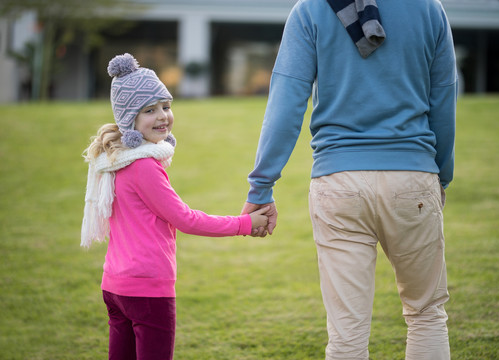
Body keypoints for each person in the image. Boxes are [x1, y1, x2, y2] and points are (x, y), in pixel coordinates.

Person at [241, 0, 457, 359]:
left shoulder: (309, 10)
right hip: (413, 176)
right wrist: (441, 177)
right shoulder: (429, 8)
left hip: (337, 182)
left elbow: (286, 103)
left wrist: (261, 186)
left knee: (346, 334)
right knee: (426, 315)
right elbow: (443, 100)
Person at [81, 53, 269, 360]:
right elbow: (185, 219)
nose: (163, 116)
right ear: (129, 120)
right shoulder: (143, 166)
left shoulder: (116, 161)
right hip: (147, 290)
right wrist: (244, 224)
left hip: (115, 286)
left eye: (166, 106)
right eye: (149, 110)